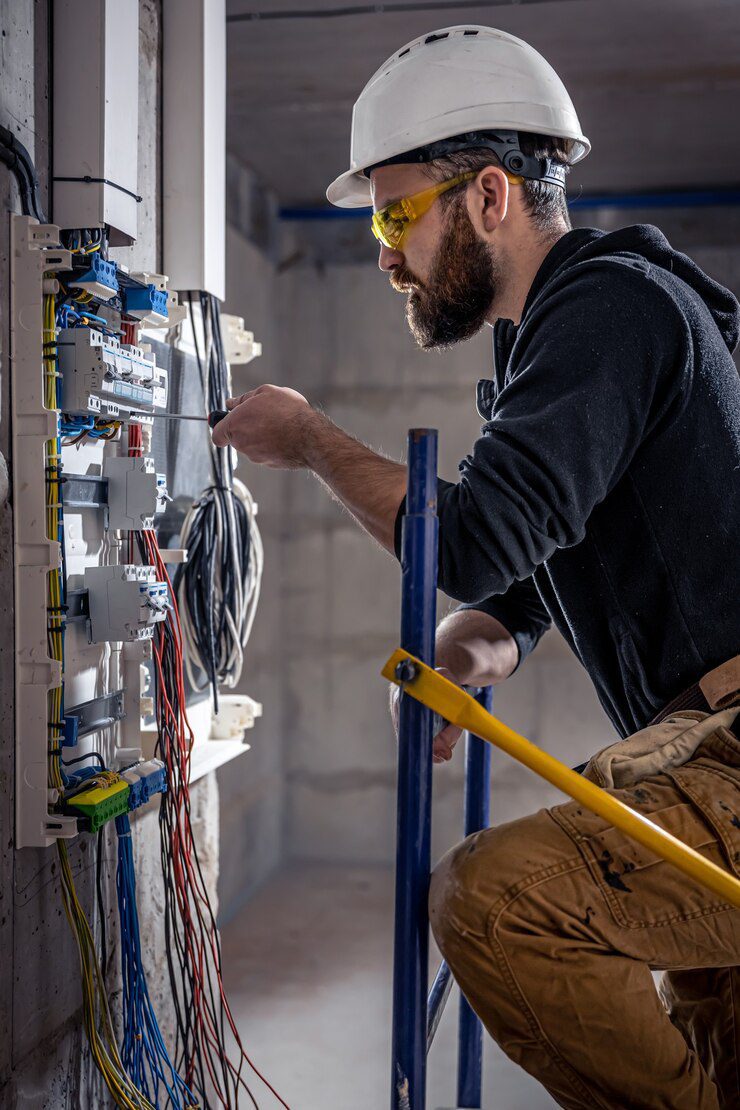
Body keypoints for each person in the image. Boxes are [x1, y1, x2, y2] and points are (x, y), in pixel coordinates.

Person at [212, 24, 740, 1109]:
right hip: (700, 752)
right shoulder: (558, 335)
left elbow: (469, 539)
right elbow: (525, 570)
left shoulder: (609, 310)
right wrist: (474, 643)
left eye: (395, 215)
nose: (382, 252)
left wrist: (311, 439)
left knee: (493, 902)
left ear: (488, 196)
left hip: (726, 755)